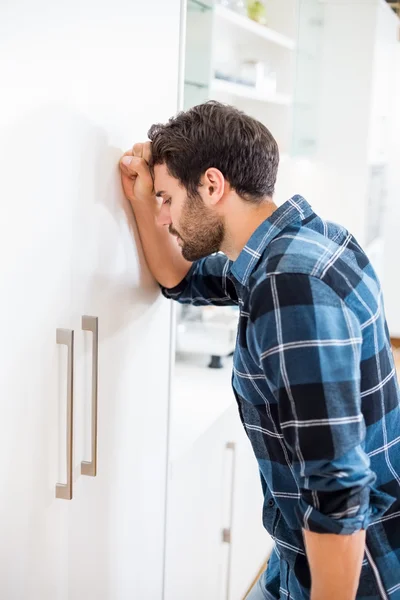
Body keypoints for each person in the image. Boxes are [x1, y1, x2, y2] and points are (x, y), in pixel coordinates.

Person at [119, 101, 400, 600]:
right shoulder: (306, 242)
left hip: (356, 575)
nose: (162, 217)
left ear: (211, 184)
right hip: (303, 555)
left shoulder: (288, 284)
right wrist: (143, 196)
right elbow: (177, 277)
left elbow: (337, 490)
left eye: (167, 199)